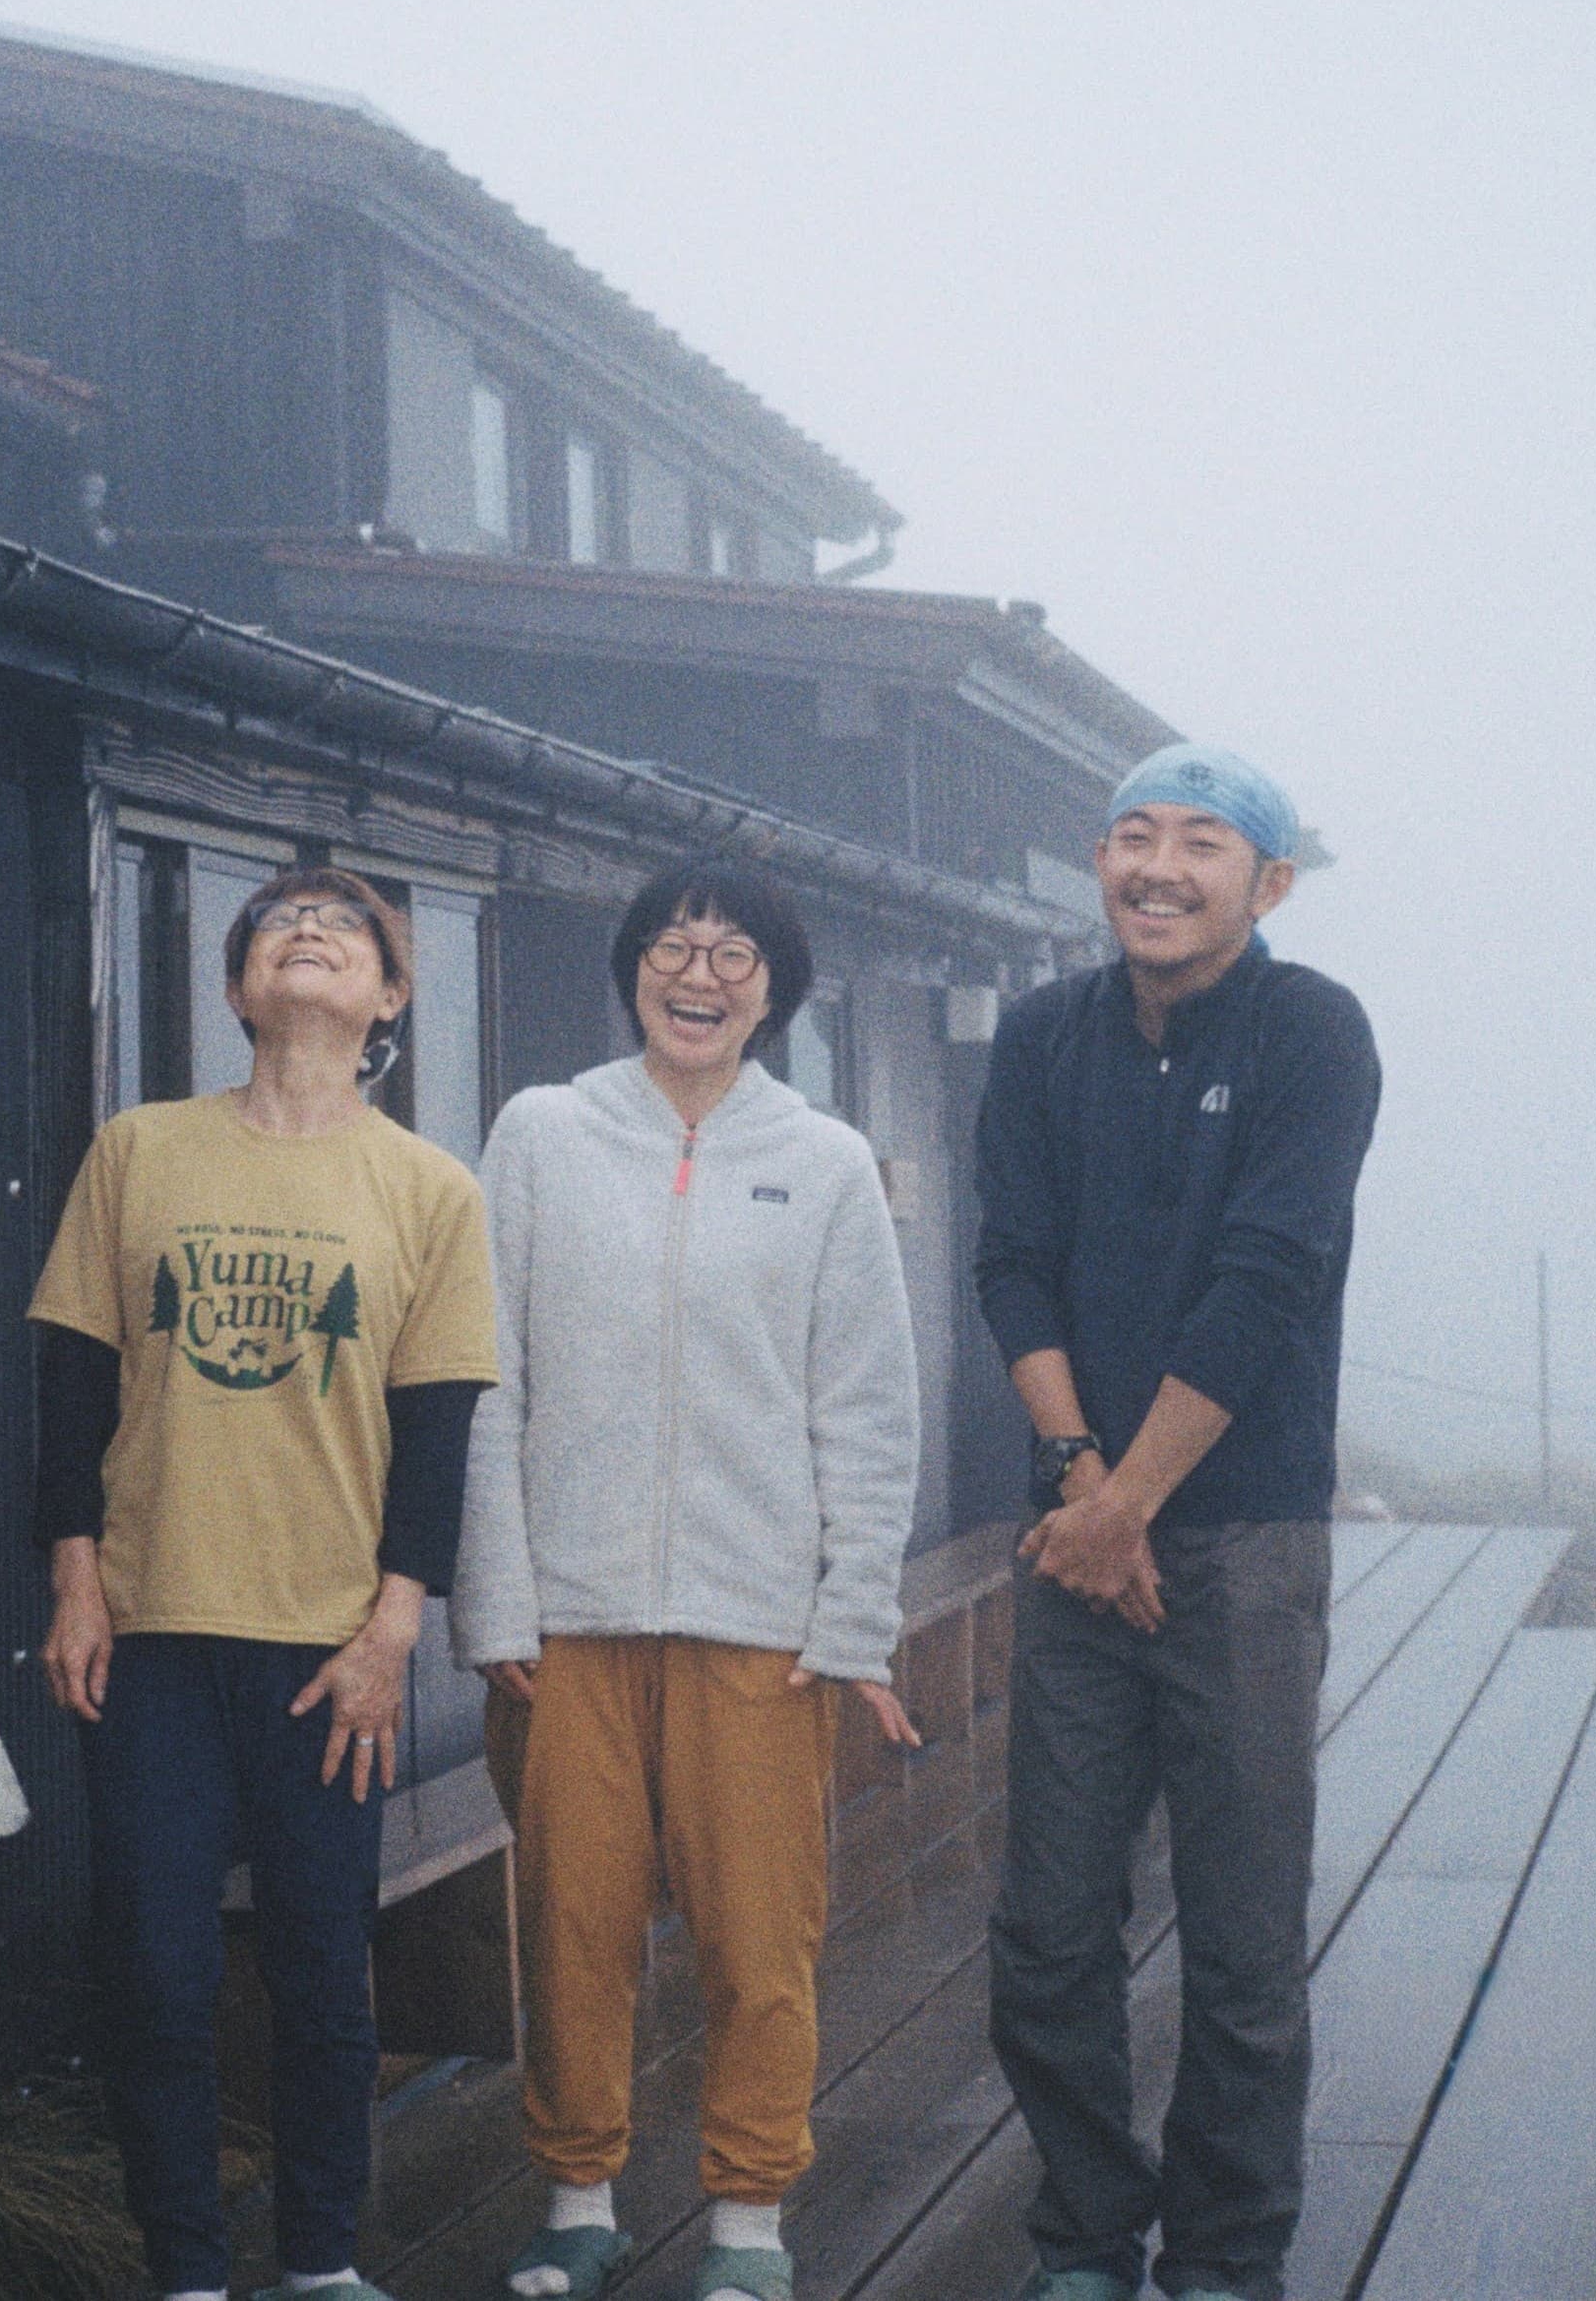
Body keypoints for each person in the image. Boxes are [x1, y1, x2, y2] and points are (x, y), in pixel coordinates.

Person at [454, 856, 925, 2301]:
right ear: (633, 969)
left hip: (761, 1625)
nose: (700, 972)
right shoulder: (542, 1132)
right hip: (571, 1619)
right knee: (574, 1924)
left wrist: (851, 1620)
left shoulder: (827, 1160)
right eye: (673, 945)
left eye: (732, 953)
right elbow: (487, 1379)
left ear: (774, 989)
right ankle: (579, 2200)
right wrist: (494, 1597)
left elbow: (868, 1409)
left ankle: (744, 2226)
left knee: (757, 1932)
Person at [30, 864, 500, 2301]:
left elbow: (436, 1433)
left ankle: (318, 2266)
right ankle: (184, 2267)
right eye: (281, 924)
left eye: (348, 929)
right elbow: (72, 1385)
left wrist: (394, 1629)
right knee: (159, 1973)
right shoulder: (139, 1150)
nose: (311, 933)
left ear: (389, 999)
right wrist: (76, 1582)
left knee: (319, 1973)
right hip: (154, 1630)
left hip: (327, 1649)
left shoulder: (428, 1187)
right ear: (238, 990)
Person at [975, 746, 1381, 2301]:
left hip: (1242, 1542)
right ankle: (1087, 2228)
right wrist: (1086, 1487)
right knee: (1049, 1928)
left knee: (1244, 1935)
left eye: (1203, 844)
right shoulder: (1042, 1034)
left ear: (1268, 885)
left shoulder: (1312, 1031)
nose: (1159, 867)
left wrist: (1130, 1505)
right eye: (1133, 837)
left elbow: (1273, 1272)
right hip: (1078, 1534)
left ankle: (1224, 2252)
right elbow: (1012, 1261)